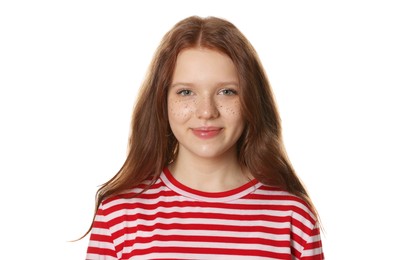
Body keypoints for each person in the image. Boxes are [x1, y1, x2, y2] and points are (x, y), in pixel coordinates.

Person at [85, 16, 324, 259]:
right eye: (186, 92)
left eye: (227, 92)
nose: (207, 111)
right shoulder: (118, 216)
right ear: (162, 101)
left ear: (251, 99)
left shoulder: (293, 217)